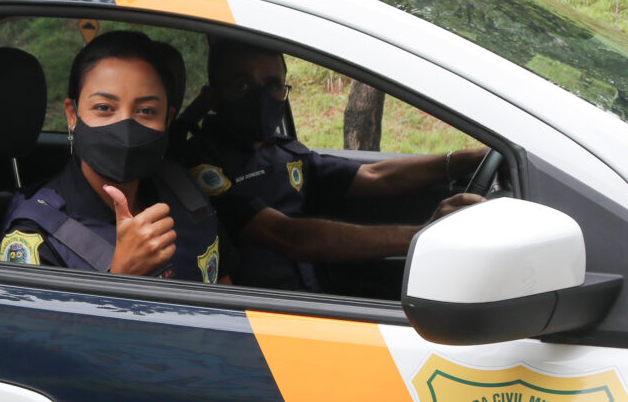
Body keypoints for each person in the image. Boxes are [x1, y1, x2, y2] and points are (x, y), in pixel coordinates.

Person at [177, 37, 485, 291]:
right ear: (213, 98)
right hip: (260, 317)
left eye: (272, 84)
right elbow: (287, 236)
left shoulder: (285, 153)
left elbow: (374, 176)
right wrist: (421, 235)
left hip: (313, 300)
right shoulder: (199, 167)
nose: (260, 98)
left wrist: (463, 160)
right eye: (242, 85)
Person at [0, 30, 225, 283]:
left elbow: (227, 290)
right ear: (72, 115)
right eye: (104, 108)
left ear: (167, 120)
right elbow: (37, 323)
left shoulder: (186, 193)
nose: (125, 127)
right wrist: (122, 276)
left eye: (146, 110)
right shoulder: (37, 232)